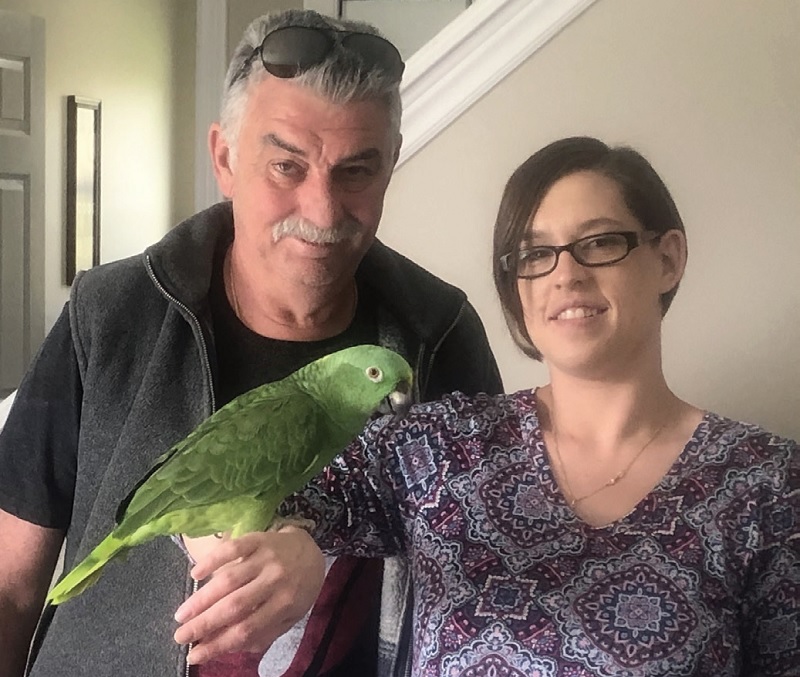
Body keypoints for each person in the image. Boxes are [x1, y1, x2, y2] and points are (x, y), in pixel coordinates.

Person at [0, 9, 502, 677]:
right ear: (226, 159)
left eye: (356, 171)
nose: (322, 212)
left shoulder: (438, 337)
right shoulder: (108, 316)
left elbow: (482, 578)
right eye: (287, 166)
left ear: (390, 167)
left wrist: (318, 540)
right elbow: (7, 586)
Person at [284, 136, 800, 676]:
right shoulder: (438, 449)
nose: (566, 274)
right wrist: (288, 544)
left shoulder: (767, 487)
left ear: (668, 258)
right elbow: (222, 494)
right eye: (534, 254)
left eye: (599, 243)